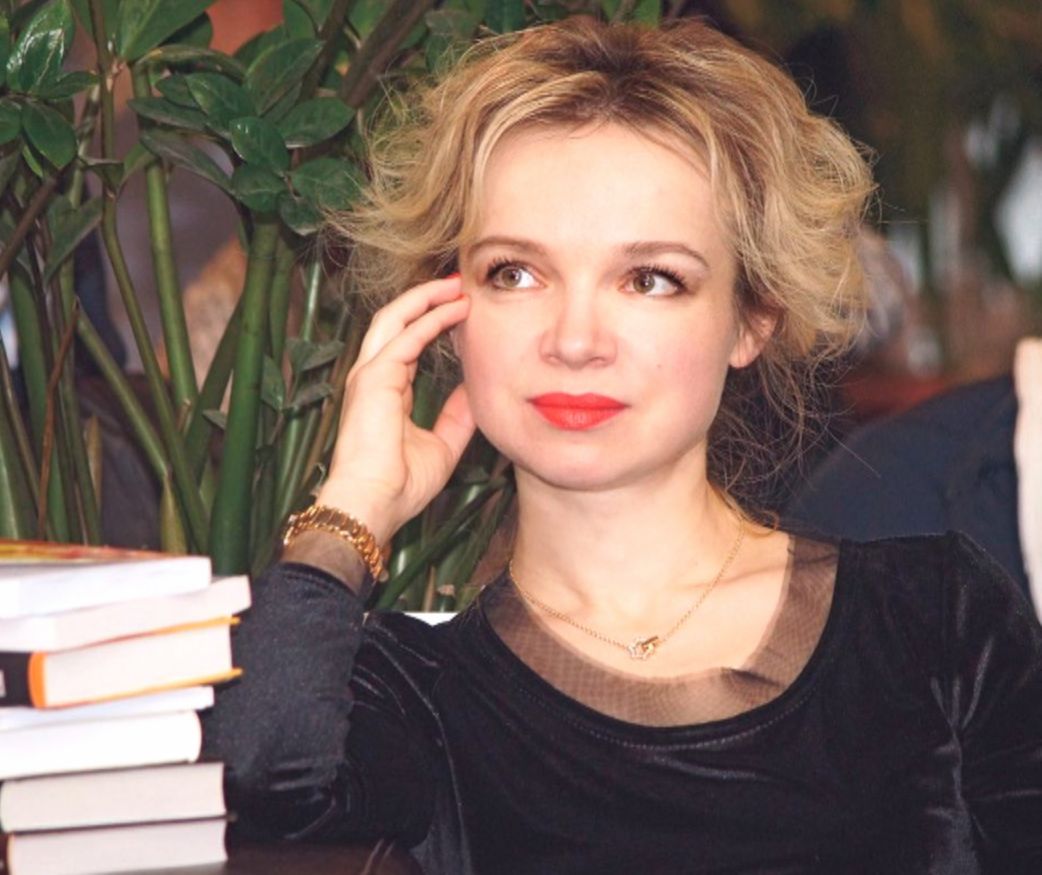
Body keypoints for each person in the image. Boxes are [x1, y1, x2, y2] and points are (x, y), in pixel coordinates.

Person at [202, 17, 1042, 873]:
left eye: (649, 279)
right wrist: (353, 503)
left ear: (751, 319)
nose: (574, 339)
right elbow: (259, 775)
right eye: (515, 273)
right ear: (446, 312)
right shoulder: (419, 690)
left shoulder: (937, 618)